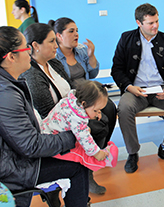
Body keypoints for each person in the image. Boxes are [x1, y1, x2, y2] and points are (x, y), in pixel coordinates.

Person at [0, 26, 94, 207]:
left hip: (4, 158)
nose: (30, 53)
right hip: (4, 170)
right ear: (11, 57)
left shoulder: (0, 84)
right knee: (77, 166)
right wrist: (73, 137)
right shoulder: (1, 94)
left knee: (73, 153)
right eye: (25, 48)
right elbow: (30, 146)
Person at [21, 22, 111, 195]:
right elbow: (48, 111)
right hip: (58, 124)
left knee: (107, 112)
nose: (56, 46)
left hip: (69, 110)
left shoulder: (53, 63)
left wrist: (88, 107)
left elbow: (71, 89)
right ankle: (86, 164)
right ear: (35, 46)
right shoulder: (32, 74)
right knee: (98, 125)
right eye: (52, 41)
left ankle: (89, 166)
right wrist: (83, 114)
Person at [111, 3, 164, 173]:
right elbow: (116, 69)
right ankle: (133, 153)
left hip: (162, 90)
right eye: (150, 23)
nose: (155, 26)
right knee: (124, 108)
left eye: (156, 21)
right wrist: (129, 87)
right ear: (139, 23)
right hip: (136, 90)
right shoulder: (126, 39)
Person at [41, 80, 118, 171]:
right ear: (84, 104)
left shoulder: (70, 101)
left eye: (99, 110)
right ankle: (103, 160)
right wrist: (96, 153)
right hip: (53, 144)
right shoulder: (76, 118)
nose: (97, 113)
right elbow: (84, 138)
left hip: (49, 131)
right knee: (80, 153)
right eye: (96, 110)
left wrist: (95, 112)